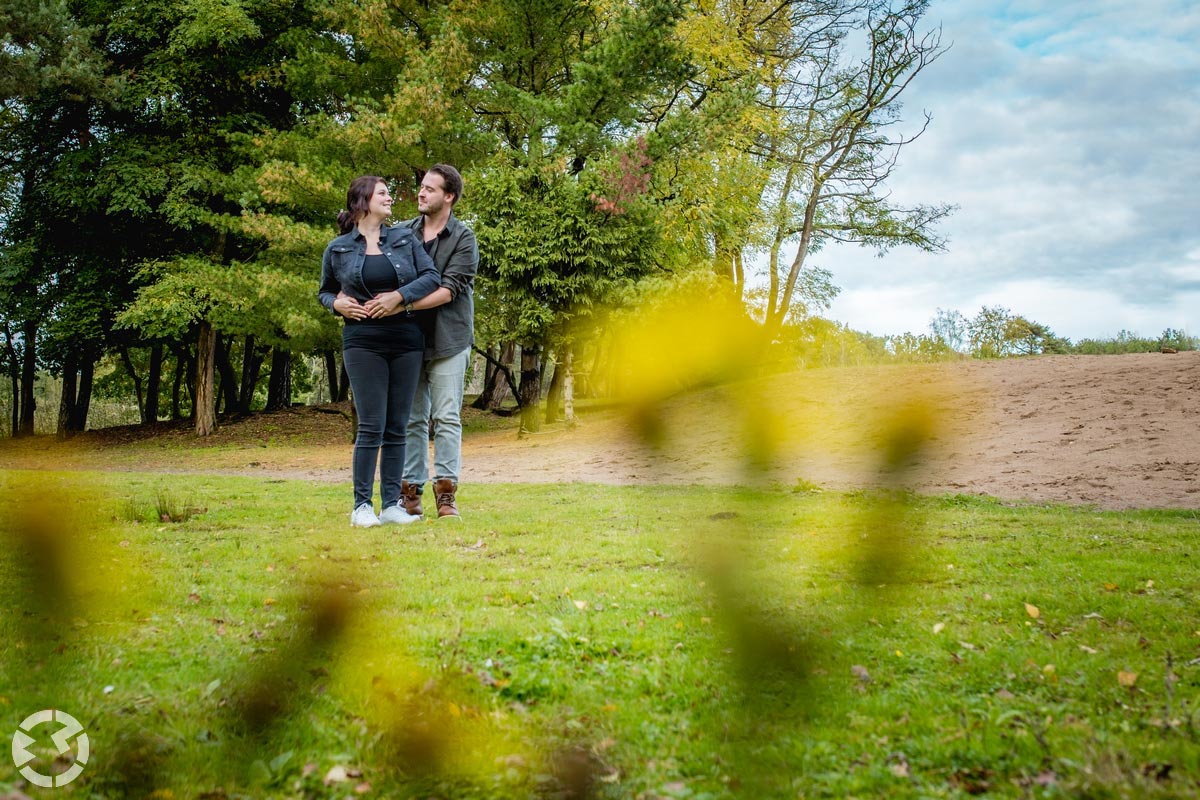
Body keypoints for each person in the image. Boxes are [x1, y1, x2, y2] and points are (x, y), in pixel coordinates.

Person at [318, 175, 442, 527]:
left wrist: (398, 297)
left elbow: (431, 277)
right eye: (384, 193)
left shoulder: (404, 239)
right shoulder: (338, 248)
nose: (391, 198)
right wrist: (336, 305)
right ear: (363, 200)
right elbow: (325, 292)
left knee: (397, 426)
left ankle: (391, 506)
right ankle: (361, 507)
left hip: (405, 339)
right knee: (371, 425)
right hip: (362, 341)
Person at [398, 164, 479, 520]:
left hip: (449, 339)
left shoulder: (464, 239)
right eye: (421, 186)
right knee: (412, 419)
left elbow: (447, 291)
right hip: (408, 340)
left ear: (449, 196)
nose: (421, 192)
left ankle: (445, 495)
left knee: (446, 417)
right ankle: (410, 495)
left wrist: (401, 303)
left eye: (430, 188)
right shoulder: (401, 234)